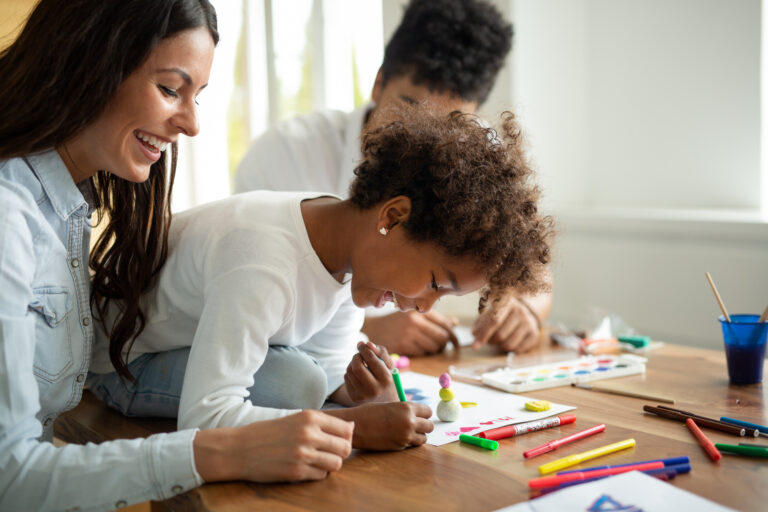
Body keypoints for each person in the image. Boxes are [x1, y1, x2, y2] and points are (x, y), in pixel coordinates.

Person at [0, 2, 356, 510]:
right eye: (170, 89)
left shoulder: (68, 208)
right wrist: (216, 451)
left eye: (197, 96)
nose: (191, 124)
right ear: (91, 62)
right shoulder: (9, 218)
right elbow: (9, 478)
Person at [88, 105, 553, 453]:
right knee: (296, 383)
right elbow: (204, 417)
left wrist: (361, 394)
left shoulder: (349, 249)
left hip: (181, 348)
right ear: (393, 216)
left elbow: (329, 369)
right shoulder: (263, 260)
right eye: (435, 282)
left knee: (310, 379)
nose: (426, 306)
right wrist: (356, 430)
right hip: (121, 364)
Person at [234, 0, 552, 357]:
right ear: (378, 82)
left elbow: (532, 267)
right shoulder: (287, 153)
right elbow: (245, 288)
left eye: (450, 125)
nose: (424, 134)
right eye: (409, 108)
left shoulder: (472, 160)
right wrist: (367, 327)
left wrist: (524, 309)